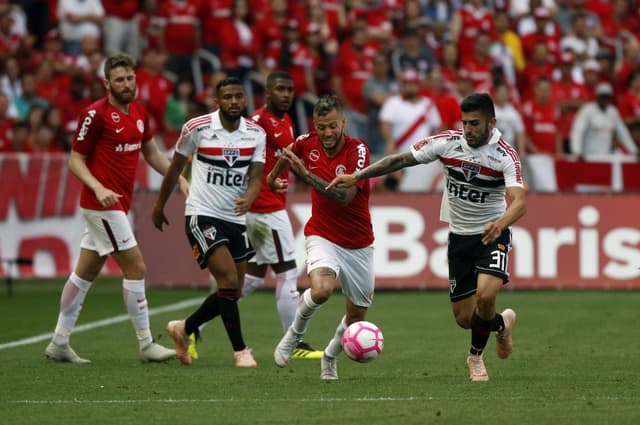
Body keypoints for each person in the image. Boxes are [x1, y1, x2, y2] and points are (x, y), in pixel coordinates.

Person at [328, 93, 527, 382]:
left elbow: (520, 202)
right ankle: (501, 325)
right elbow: (399, 161)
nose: (469, 129)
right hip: (459, 238)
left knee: (486, 296)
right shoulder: (447, 143)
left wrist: (500, 223)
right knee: (464, 318)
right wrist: (358, 176)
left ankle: (475, 358)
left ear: (491, 123)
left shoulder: (504, 155)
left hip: (491, 235)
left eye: (475, 123)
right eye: (466, 123)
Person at [45, 53, 188, 364]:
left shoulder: (139, 111)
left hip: (118, 204)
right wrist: (98, 187)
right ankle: (147, 344)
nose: (127, 84)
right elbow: (75, 160)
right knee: (136, 267)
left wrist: (179, 179)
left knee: (85, 272)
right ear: (106, 83)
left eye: (130, 78)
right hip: (101, 205)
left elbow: (151, 152)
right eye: (120, 80)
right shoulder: (94, 115)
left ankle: (58, 342)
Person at [186, 71, 323, 361]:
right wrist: (269, 183)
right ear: (267, 94)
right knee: (287, 271)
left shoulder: (285, 121)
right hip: (263, 208)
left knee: (249, 281)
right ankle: (294, 342)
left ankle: (191, 326)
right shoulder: (258, 123)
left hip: (268, 204)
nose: (286, 95)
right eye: (280, 90)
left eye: (290, 90)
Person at [152, 76, 265, 368]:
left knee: (234, 290)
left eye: (238, 96)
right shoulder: (197, 128)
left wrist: (251, 197)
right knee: (227, 281)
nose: (233, 102)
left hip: (235, 218)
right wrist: (159, 204)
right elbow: (175, 168)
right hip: (202, 214)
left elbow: (255, 177)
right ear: (217, 101)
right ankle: (241, 351)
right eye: (227, 97)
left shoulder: (255, 133)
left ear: (244, 99)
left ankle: (184, 328)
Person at [270, 94, 375, 380]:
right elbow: (287, 154)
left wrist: (305, 176)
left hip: (359, 243)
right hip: (322, 234)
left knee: (356, 317)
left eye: (332, 126)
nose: (327, 133)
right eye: (321, 127)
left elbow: (345, 196)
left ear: (343, 122)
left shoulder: (358, 151)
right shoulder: (307, 142)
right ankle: (294, 335)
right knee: (322, 290)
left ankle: (329, 356)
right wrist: (272, 178)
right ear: (314, 125)